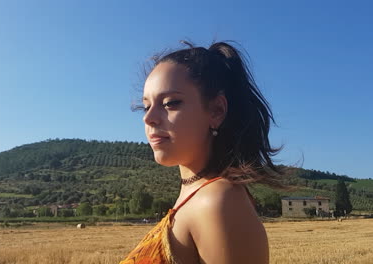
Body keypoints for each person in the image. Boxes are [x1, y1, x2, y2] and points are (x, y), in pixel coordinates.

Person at [120, 40, 290, 264]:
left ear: (217, 111)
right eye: (146, 105)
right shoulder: (198, 196)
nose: (148, 117)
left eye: (170, 103)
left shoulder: (217, 201)